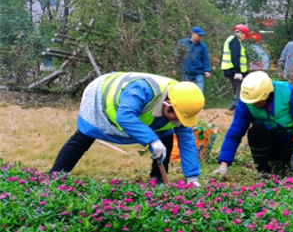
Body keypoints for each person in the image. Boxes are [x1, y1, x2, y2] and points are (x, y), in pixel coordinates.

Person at [51, 72, 205, 185]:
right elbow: (125, 116)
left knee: (166, 136)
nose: (178, 121)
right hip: (101, 98)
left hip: (138, 111)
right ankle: (55, 176)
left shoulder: (183, 100)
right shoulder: (142, 89)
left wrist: (192, 178)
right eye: (177, 116)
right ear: (168, 103)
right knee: (84, 136)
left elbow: (186, 141)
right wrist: (152, 140)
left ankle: (157, 179)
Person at [211, 71, 293, 179]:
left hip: (292, 143)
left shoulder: (288, 91)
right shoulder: (246, 101)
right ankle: (263, 170)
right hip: (269, 147)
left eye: (258, 101)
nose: (254, 104)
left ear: (268, 94)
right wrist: (224, 165)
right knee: (257, 129)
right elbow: (234, 134)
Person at [222, 24, 249, 111]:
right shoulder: (235, 41)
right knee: (239, 90)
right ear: (241, 33)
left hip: (230, 69)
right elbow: (235, 57)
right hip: (234, 70)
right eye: (245, 35)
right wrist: (237, 72)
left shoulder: (231, 39)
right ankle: (234, 108)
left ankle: (234, 107)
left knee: (237, 90)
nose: (244, 38)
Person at [174, 26, 211, 91]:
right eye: (199, 35)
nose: (200, 37)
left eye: (201, 36)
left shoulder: (203, 46)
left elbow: (205, 59)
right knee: (185, 91)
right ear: (193, 34)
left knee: (199, 92)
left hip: (198, 73)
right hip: (186, 72)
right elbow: (177, 56)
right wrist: (175, 67)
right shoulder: (182, 43)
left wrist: (207, 70)